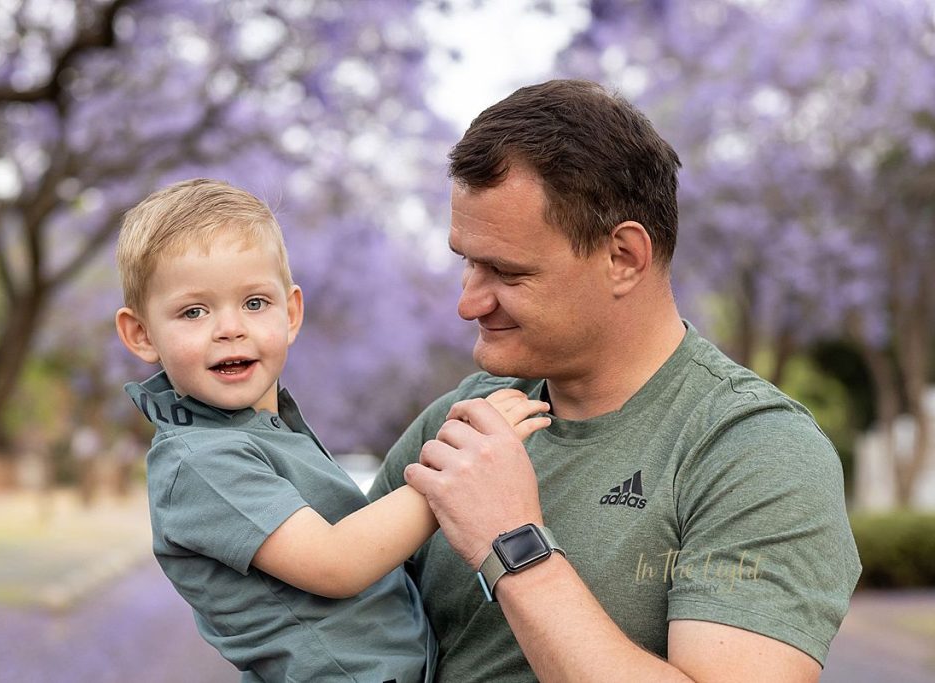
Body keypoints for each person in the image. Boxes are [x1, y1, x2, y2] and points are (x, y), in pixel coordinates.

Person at [369, 79, 861, 682]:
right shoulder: (460, 420)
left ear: (624, 257)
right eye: (468, 261)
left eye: (506, 272)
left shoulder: (754, 451)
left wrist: (511, 541)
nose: (468, 304)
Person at [113, 178, 550, 682]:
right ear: (141, 334)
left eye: (254, 303)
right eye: (194, 311)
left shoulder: (264, 430)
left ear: (291, 312)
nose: (230, 328)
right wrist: (459, 471)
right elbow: (336, 563)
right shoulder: (200, 462)